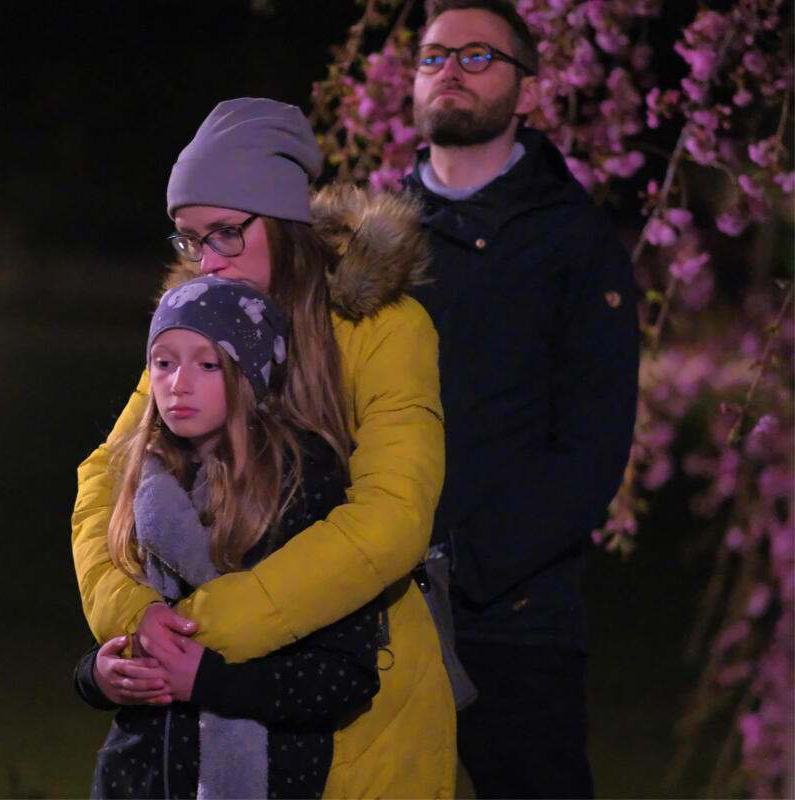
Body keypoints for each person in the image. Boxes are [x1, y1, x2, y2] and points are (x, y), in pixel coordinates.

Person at [72, 97, 456, 798]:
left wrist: (202, 627)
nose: (208, 262)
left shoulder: (384, 327)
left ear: (281, 222)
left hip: (358, 706)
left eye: (226, 234)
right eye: (191, 240)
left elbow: (392, 516)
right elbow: (109, 473)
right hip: (190, 712)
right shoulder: (200, 324)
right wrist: (135, 619)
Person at [402, 1, 640, 797]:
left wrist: (469, 565)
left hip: (516, 619)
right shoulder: (370, 239)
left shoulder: (574, 242)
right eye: (434, 57)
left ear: (529, 92)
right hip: (371, 606)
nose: (451, 72)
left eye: (478, 57)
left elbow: (593, 448)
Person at [74, 274, 384, 799]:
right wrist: (98, 676)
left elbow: (345, 676)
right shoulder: (142, 481)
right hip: (136, 781)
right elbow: (121, 639)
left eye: (207, 365)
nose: (179, 383)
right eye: (163, 363)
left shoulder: (299, 489)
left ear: (250, 373)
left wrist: (212, 683)